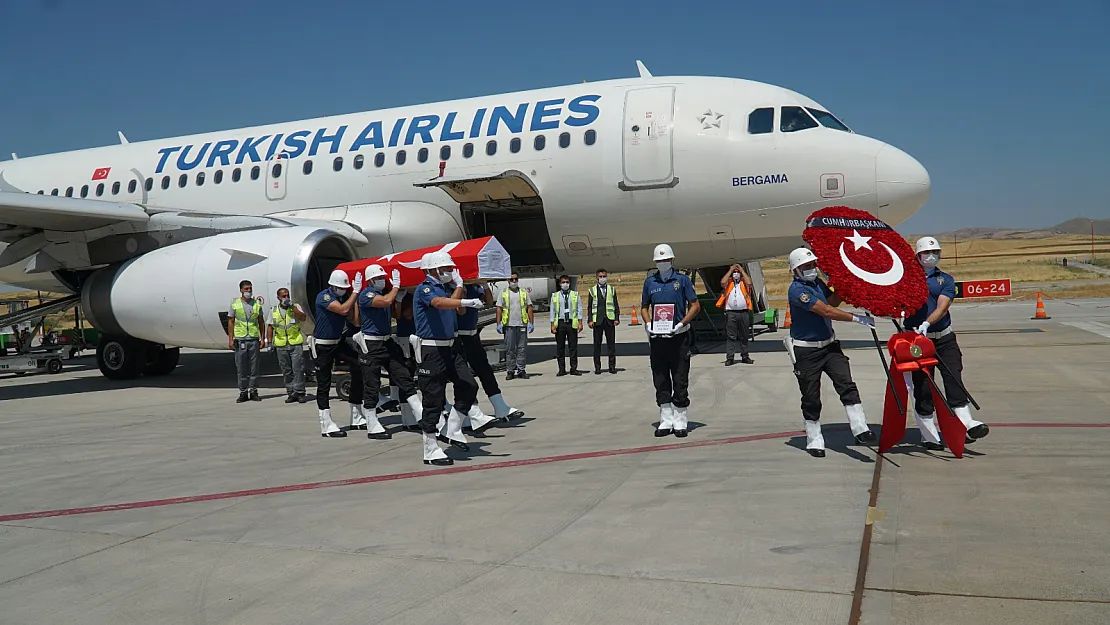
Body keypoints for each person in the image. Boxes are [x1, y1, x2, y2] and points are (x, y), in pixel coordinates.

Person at [784, 248, 877, 458]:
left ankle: (860, 427)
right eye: (806, 266)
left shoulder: (817, 284)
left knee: (846, 384)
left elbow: (832, 302)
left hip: (829, 346)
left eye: (813, 265)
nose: (812, 269)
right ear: (796, 270)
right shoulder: (797, 291)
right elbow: (825, 311)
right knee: (811, 397)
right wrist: (856, 319)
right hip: (807, 352)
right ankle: (814, 439)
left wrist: (843, 288)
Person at [905, 236, 990, 450]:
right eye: (926, 253)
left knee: (954, 378)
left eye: (935, 253)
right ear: (918, 255)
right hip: (916, 341)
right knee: (923, 387)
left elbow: (942, 307)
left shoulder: (946, 280)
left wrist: (927, 322)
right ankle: (928, 434)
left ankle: (966, 423)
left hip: (943, 338)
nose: (931, 256)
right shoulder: (905, 281)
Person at [412, 251, 485, 465]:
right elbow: (439, 304)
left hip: (450, 348)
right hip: (431, 350)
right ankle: (430, 448)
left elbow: (458, 311)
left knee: (469, 385)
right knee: (433, 398)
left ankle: (452, 427)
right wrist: (467, 300)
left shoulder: (445, 288)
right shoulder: (425, 288)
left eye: (451, 269)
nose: (450, 272)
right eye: (446, 269)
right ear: (432, 270)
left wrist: (460, 288)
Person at [640, 244, 701, 438]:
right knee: (660, 378)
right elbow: (644, 307)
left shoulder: (682, 280)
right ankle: (666, 419)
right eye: (659, 261)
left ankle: (680, 418)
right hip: (658, 338)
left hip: (678, 337)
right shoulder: (650, 282)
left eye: (666, 260)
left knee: (680, 378)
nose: (663, 263)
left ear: (672, 261)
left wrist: (682, 323)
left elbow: (695, 305)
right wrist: (649, 324)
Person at [353, 264, 419, 441]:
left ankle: (418, 414)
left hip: (387, 341)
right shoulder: (367, 295)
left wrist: (398, 298)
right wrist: (396, 287)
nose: (382, 280)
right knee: (372, 384)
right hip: (371, 344)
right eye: (379, 277)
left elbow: (394, 311)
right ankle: (372, 423)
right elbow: (385, 302)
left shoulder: (382, 294)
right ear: (371, 280)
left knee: (403, 375)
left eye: (383, 277)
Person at [455, 281, 525, 426]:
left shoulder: (474, 286)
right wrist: (459, 285)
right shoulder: (455, 287)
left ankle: (500, 406)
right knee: (465, 378)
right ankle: (471, 413)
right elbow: (458, 308)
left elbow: (489, 301)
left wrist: (485, 285)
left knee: (486, 371)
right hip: (458, 336)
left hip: (472, 334)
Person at [310, 269, 362, 439]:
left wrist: (352, 297)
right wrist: (354, 293)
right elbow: (340, 310)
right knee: (324, 384)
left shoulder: (343, 298)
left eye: (345, 288)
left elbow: (355, 320)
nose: (342, 290)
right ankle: (326, 424)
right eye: (341, 287)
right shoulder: (324, 297)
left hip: (337, 342)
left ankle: (356, 413)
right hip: (322, 346)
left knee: (358, 364)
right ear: (332, 286)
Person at [268, 287, 309, 404]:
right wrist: (270, 342)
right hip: (281, 344)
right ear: (278, 298)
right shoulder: (274, 310)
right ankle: (291, 392)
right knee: (286, 370)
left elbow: (303, 317)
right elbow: (270, 327)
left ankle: (300, 392)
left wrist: (292, 307)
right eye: (283, 296)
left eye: (287, 296)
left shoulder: (295, 307)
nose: (286, 298)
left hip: (295, 343)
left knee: (298, 369)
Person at [227, 280, 265, 403]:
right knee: (241, 368)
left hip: (253, 339)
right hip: (240, 339)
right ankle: (243, 392)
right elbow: (231, 321)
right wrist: (231, 338)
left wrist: (262, 337)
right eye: (246, 289)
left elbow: (261, 321)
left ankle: (253, 391)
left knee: (254, 368)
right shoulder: (235, 304)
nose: (249, 291)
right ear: (241, 290)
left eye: (250, 289)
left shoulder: (256, 304)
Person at [496, 273, 534, 380]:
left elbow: (529, 307)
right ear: (508, 280)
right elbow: (499, 308)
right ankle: (510, 370)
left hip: (521, 324)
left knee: (522, 349)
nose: (514, 281)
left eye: (516, 279)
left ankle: (521, 370)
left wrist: (531, 322)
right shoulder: (503, 293)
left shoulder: (523, 292)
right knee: (510, 349)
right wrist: (498, 323)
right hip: (508, 325)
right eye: (512, 279)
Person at [718, 263, 756, 366]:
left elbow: (750, 283)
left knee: (744, 335)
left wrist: (742, 271)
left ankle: (745, 356)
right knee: (731, 336)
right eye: (734, 272)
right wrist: (730, 270)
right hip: (731, 313)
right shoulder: (729, 283)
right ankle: (730, 357)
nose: (736, 274)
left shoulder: (744, 283)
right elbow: (722, 282)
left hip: (743, 312)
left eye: (737, 272)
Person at [587, 268, 621, 374]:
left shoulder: (611, 289)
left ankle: (612, 367)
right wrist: (590, 320)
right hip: (598, 321)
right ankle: (597, 367)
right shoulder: (592, 290)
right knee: (597, 345)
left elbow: (615, 304)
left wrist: (616, 318)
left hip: (609, 320)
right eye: (600, 276)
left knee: (611, 345)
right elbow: (589, 307)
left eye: (604, 276)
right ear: (597, 277)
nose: (602, 278)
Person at [550, 274, 583, 376]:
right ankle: (562, 369)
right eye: (563, 282)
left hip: (571, 323)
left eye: (567, 282)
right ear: (560, 284)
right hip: (560, 323)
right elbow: (552, 311)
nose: (565, 284)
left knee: (573, 347)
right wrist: (552, 325)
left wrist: (580, 323)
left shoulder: (575, 295)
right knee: (560, 348)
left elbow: (579, 309)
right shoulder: (555, 296)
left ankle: (573, 368)